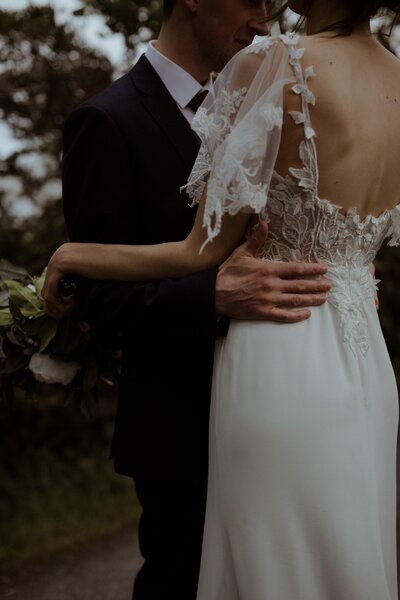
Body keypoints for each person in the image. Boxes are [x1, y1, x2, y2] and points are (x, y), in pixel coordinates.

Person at [44, 0, 400, 597]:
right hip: (352, 371)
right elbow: (104, 306)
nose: (269, 14)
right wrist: (347, 279)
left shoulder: (278, 65)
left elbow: (196, 252)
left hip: (277, 370)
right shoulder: (105, 121)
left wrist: (68, 255)